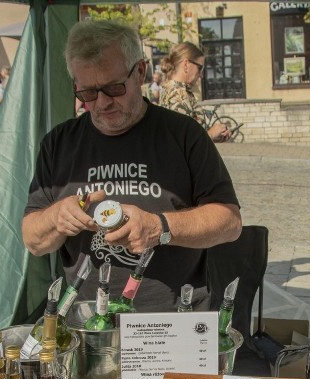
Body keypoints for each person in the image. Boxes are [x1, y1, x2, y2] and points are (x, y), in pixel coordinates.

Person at [22, 20, 242, 313]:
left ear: (140, 72)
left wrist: (160, 227)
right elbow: (33, 240)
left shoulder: (184, 134)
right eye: (87, 93)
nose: (101, 103)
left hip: (172, 321)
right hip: (89, 322)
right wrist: (56, 217)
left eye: (114, 88)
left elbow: (229, 223)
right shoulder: (58, 143)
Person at [159, 42, 230, 142]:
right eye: (200, 68)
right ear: (186, 64)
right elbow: (182, 143)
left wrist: (213, 138)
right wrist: (210, 134)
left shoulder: (176, 91)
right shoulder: (177, 95)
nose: (201, 75)